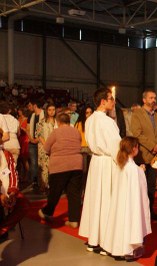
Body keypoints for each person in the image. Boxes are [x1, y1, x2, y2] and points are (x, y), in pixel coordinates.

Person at [79, 88, 121, 251]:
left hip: (96, 161)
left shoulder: (90, 119)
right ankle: (105, 240)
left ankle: (93, 239)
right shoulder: (107, 121)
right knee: (107, 200)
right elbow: (115, 145)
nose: (114, 101)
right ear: (103, 101)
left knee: (96, 199)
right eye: (111, 99)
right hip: (107, 162)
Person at [103, 137, 151, 261]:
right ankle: (128, 250)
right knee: (129, 221)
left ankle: (117, 248)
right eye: (137, 147)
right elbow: (138, 189)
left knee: (119, 222)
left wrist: (139, 170)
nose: (138, 149)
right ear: (134, 148)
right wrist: (141, 171)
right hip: (129, 202)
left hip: (119, 202)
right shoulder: (133, 169)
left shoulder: (120, 164)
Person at [38, 113, 83, 228]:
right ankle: (74, 220)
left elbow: (46, 147)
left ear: (58, 122)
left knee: (55, 192)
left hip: (60, 166)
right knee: (74, 194)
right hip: (76, 165)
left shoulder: (56, 132)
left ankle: (47, 212)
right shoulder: (76, 132)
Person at [131, 90, 157, 221]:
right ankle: (138, 214)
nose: (154, 100)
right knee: (139, 187)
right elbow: (136, 134)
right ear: (144, 100)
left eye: (155, 98)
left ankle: (149, 212)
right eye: (151, 98)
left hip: (154, 158)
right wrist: (153, 146)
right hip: (141, 156)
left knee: (151, 187)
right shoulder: (137, 114)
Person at [0, 128, 30, 241]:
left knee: (24, 204)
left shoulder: (7, 154)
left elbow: (13, 174)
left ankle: (3, 228)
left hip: (7, 190)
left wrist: (12, 192)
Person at [36, 103, 56, 193]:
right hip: (43, 147)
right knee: (43, 167)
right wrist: (46, 145)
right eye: (50, 110)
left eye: (53, 110)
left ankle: (52, 186)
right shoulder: (42, 122)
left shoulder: (57, 122)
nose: (51, 112)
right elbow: (39, 135)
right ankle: (43, 186)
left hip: (54, 147)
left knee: (53, 167)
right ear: (47, 111)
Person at [26, 99, 44, 189]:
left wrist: (38, 139)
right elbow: (28, 129)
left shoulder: (44, 115)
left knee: (42, 163)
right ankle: (34, 181)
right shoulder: (31, 116)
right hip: (32, 142)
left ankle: (43, 181)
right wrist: (31, 139)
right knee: (33, 163)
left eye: (31, 105)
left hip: (42, 142)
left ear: (35, 105)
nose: (30, 107)